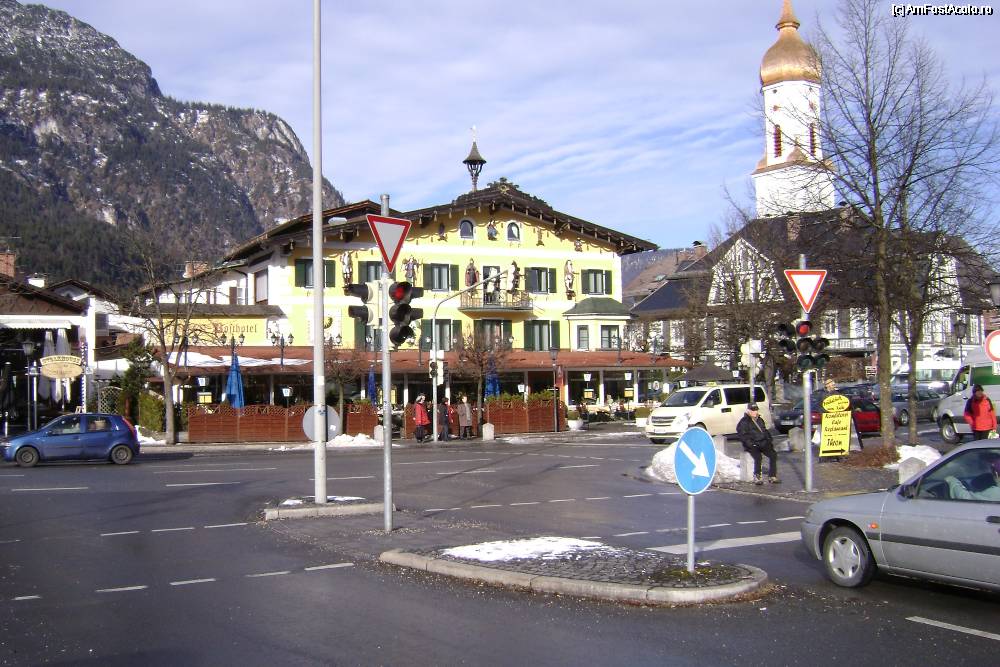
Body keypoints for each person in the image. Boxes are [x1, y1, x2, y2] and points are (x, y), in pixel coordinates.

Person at [737, 403, 779, 485]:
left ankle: (772, 476)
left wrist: (769, 440)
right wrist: (750, 444)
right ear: (748, 410)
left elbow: (764, 430)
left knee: (773, 455)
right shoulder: (744, 421)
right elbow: (742, 435)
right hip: (753, 444)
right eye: (753, 410)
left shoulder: (760, 420)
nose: (755, 412)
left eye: (756, 410)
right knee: (758, 457)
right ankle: (757, 476)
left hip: (763, 442)